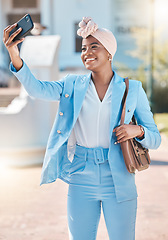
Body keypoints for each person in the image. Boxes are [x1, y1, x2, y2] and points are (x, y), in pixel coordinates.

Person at [3, 16, 161, 240]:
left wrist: (139, 131)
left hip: (118, 179)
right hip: (80, 175)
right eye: (84, 48)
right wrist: (14, 54)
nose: (87, 52)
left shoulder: (132, 89)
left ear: (109, 52)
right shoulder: (71, 85)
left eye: (94, 46)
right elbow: (37, 89)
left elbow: (155, 137)